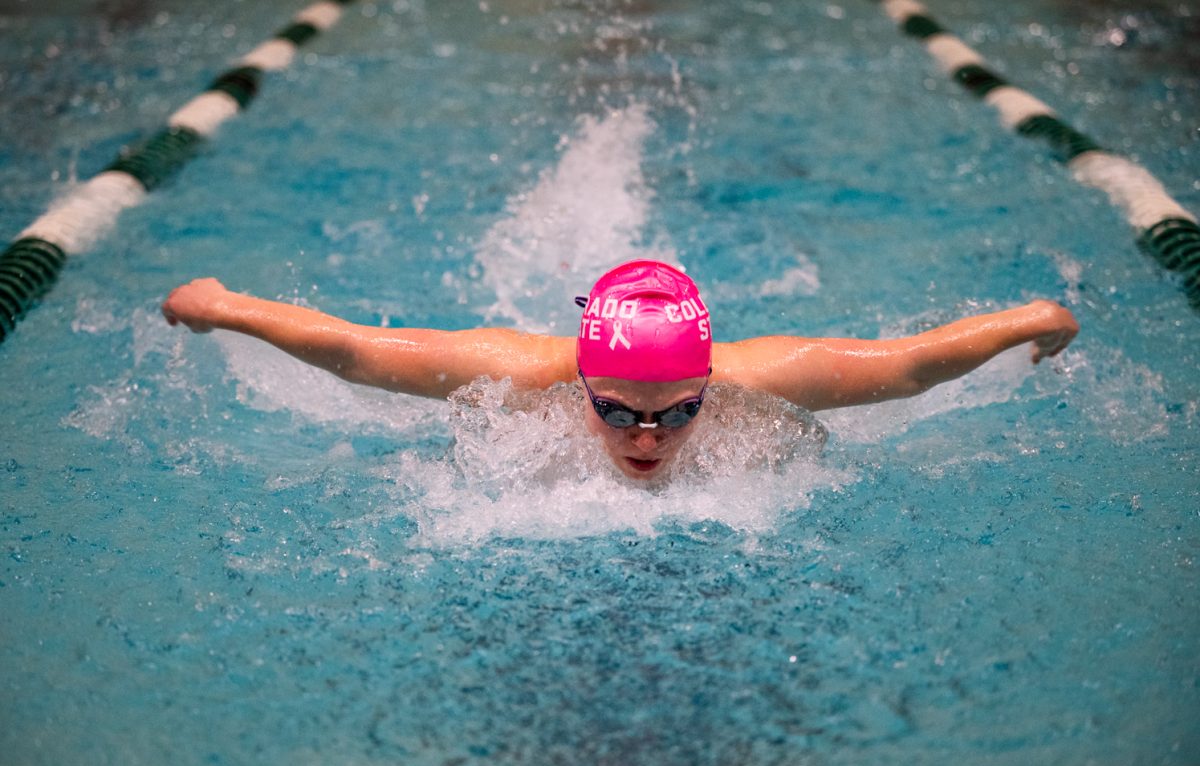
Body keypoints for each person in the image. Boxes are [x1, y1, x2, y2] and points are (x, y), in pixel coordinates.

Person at [162, 259, 1078, 481]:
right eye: (618, 411)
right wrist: (226, 305)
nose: (647, 437)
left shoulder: (768, 376)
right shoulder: (518, 371)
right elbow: (354, 348)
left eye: (680, 415)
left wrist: (1030, 321)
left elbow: (912, 365)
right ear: (581, 382)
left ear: (710, 383)